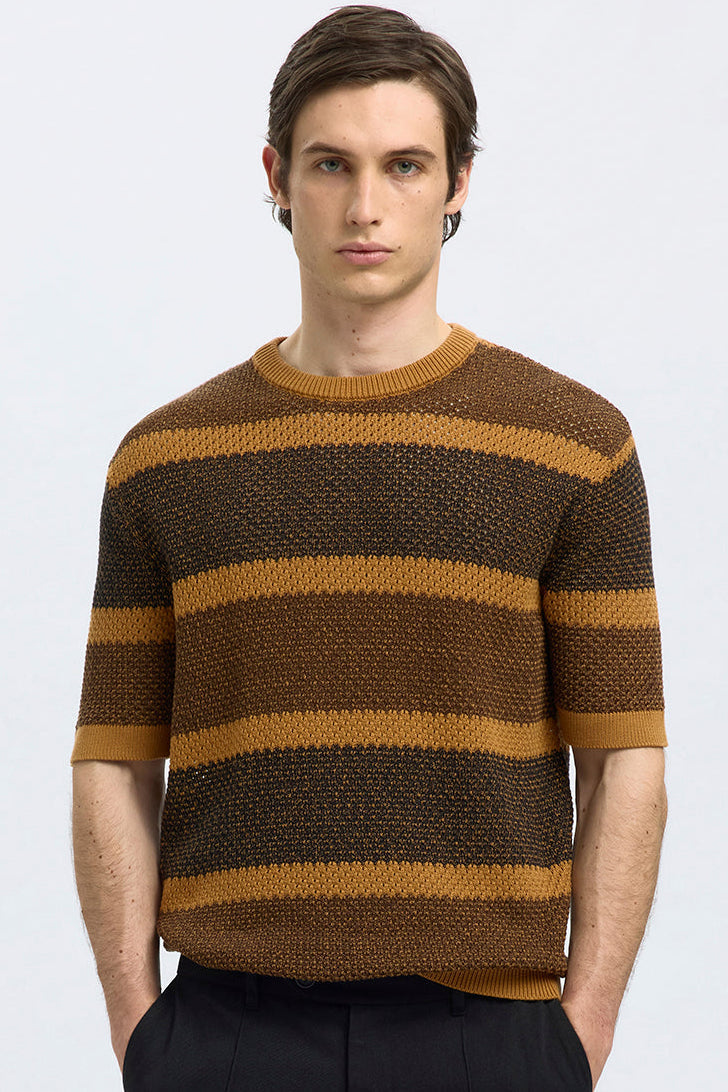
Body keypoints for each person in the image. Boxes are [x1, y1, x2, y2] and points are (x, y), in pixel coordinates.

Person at [71, 6, 668, 1090]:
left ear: (457, 182)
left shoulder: (575, 446)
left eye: (403, 165)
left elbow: (625, 755)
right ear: (276, 176)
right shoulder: (165, 461)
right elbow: (114, 755)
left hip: (491, 1034)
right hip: (226, 1033)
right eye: (329, 164)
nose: (364, 206)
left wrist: (581, 1029)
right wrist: (137, 1026)